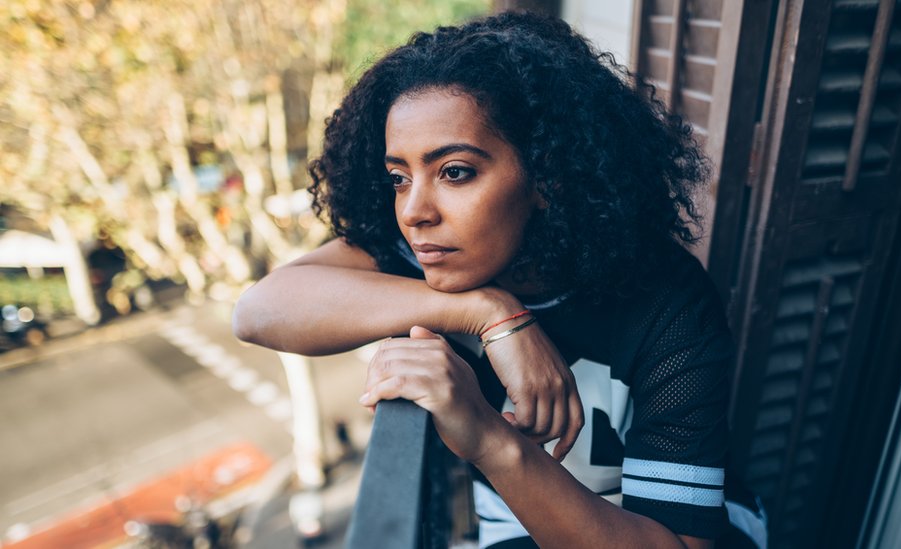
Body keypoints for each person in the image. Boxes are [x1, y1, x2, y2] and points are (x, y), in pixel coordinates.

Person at [233, 12, 767, 549]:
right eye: (399, 177)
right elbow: (258, 311)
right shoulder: (428, 258)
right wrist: (487, 312)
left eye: (455, 171)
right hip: (515, 519)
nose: (414, 211)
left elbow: (677, 543)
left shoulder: (668, 302)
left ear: (547, 175)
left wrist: (490, 440)